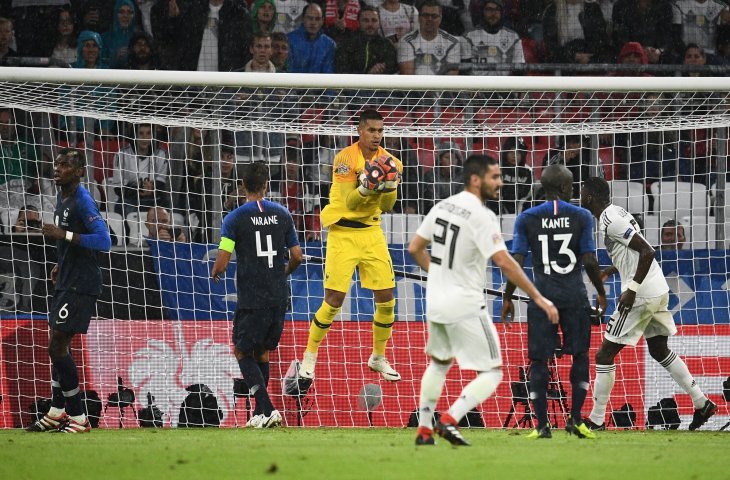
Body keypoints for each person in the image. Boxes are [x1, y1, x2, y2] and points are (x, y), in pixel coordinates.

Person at [408, 154, 559, 446]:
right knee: (492, 372)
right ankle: (449, 419)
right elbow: (504, 260)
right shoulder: (481, 215)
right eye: (494, 177)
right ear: (476, 179)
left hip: (437, 299)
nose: (500, 182)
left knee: (439, 363)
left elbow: (415, 247)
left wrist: (440, 274)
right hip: (465, 302)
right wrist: (538, 297)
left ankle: (424, 430)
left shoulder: (442, 206)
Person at [580, 176, 717, 431]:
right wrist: (611, 270)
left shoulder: (611, 220)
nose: (580, 197)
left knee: (604, 354)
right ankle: (702, 402)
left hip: (641, 293)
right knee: (659, 350)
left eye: (582, 193)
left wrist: (631, 289)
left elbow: (648, 251)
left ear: (589, 197)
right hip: (657, 288)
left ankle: (597, 420)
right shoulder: (615, 213)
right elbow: (633, 252)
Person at [298, 109, 403, 387]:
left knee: (387, 298)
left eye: (381, 131)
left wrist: (389, 186)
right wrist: (369, 186)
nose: (377, 136)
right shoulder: (345, 159)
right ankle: (310, 355)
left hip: (371, 233)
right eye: (372, 131)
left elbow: (387, 207)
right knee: (334, 300)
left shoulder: (392, 163)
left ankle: (378, 356)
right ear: (359, 131)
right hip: (343, 233)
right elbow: (350, 202)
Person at [501, 164, 607, 439]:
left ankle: (542, 426)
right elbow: (589, 260)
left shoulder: (526, 218)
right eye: (571, 186)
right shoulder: (583, 216)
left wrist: (508, 296)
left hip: (541, 297)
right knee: (580, 354)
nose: (573, 191)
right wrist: (602, 292)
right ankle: (574, 420)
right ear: (563, 188)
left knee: (538, 360)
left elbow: (517, 262)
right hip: (573, 297)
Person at [25, 148, 112, 433]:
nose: (57, 168)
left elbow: (103, 241)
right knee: (57, 344)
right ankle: (55, 410)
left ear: (79, 171)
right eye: (56, 163)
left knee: (57, 345)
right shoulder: (63, 198)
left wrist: (64, 235)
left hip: (82, 285)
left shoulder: (83, 201)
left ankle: (78, 417)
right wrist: (61, 264)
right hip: (67, 279)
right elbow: (70, 245)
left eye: (64, 165)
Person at [211, 162, 303, 428]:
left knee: (241, 350)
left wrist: (216, 271)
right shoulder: (282, 213)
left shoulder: (235, 218)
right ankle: (262, 414)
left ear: (242, 185)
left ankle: (267, 408)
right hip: (277, 296)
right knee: (262, 351)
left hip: (252, 296)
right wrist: (284, 272)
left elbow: (224, 260)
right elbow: (296, 255)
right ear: (266, 186)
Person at [462, 0, 525, 76]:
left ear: (502, 13)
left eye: (497, 9)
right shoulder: (468, 36)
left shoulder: (513, 37)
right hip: (476, 85)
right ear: (482, 12)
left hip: (504, 85)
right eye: (489, 9)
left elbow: (520, 72)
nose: (493, 13)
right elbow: (464, 72)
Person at [398, 0, 460, 75]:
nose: (429, 19)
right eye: (425, 15)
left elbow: (451, 79)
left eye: (434, 16)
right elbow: (408, 77)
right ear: (418, 18)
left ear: (440, 19)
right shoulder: (406, 42)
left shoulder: (453, 43)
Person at [335, 6, 398, 75]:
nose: (370, 24)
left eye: (374, 20)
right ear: (358, 23)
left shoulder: (387, 45)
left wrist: (381, 70)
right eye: (366, 20)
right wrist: (367, 74)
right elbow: (341, 72)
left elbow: (393, 70)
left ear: (379, 23)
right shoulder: (346, 43)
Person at [286, 2, 336, 73]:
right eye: (310, 18)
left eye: (317, 19)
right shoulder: (289, 40)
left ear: (322, 21)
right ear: (303, 19)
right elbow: (288, 71)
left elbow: (328, 74)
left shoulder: (329, 44)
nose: (313, 22)